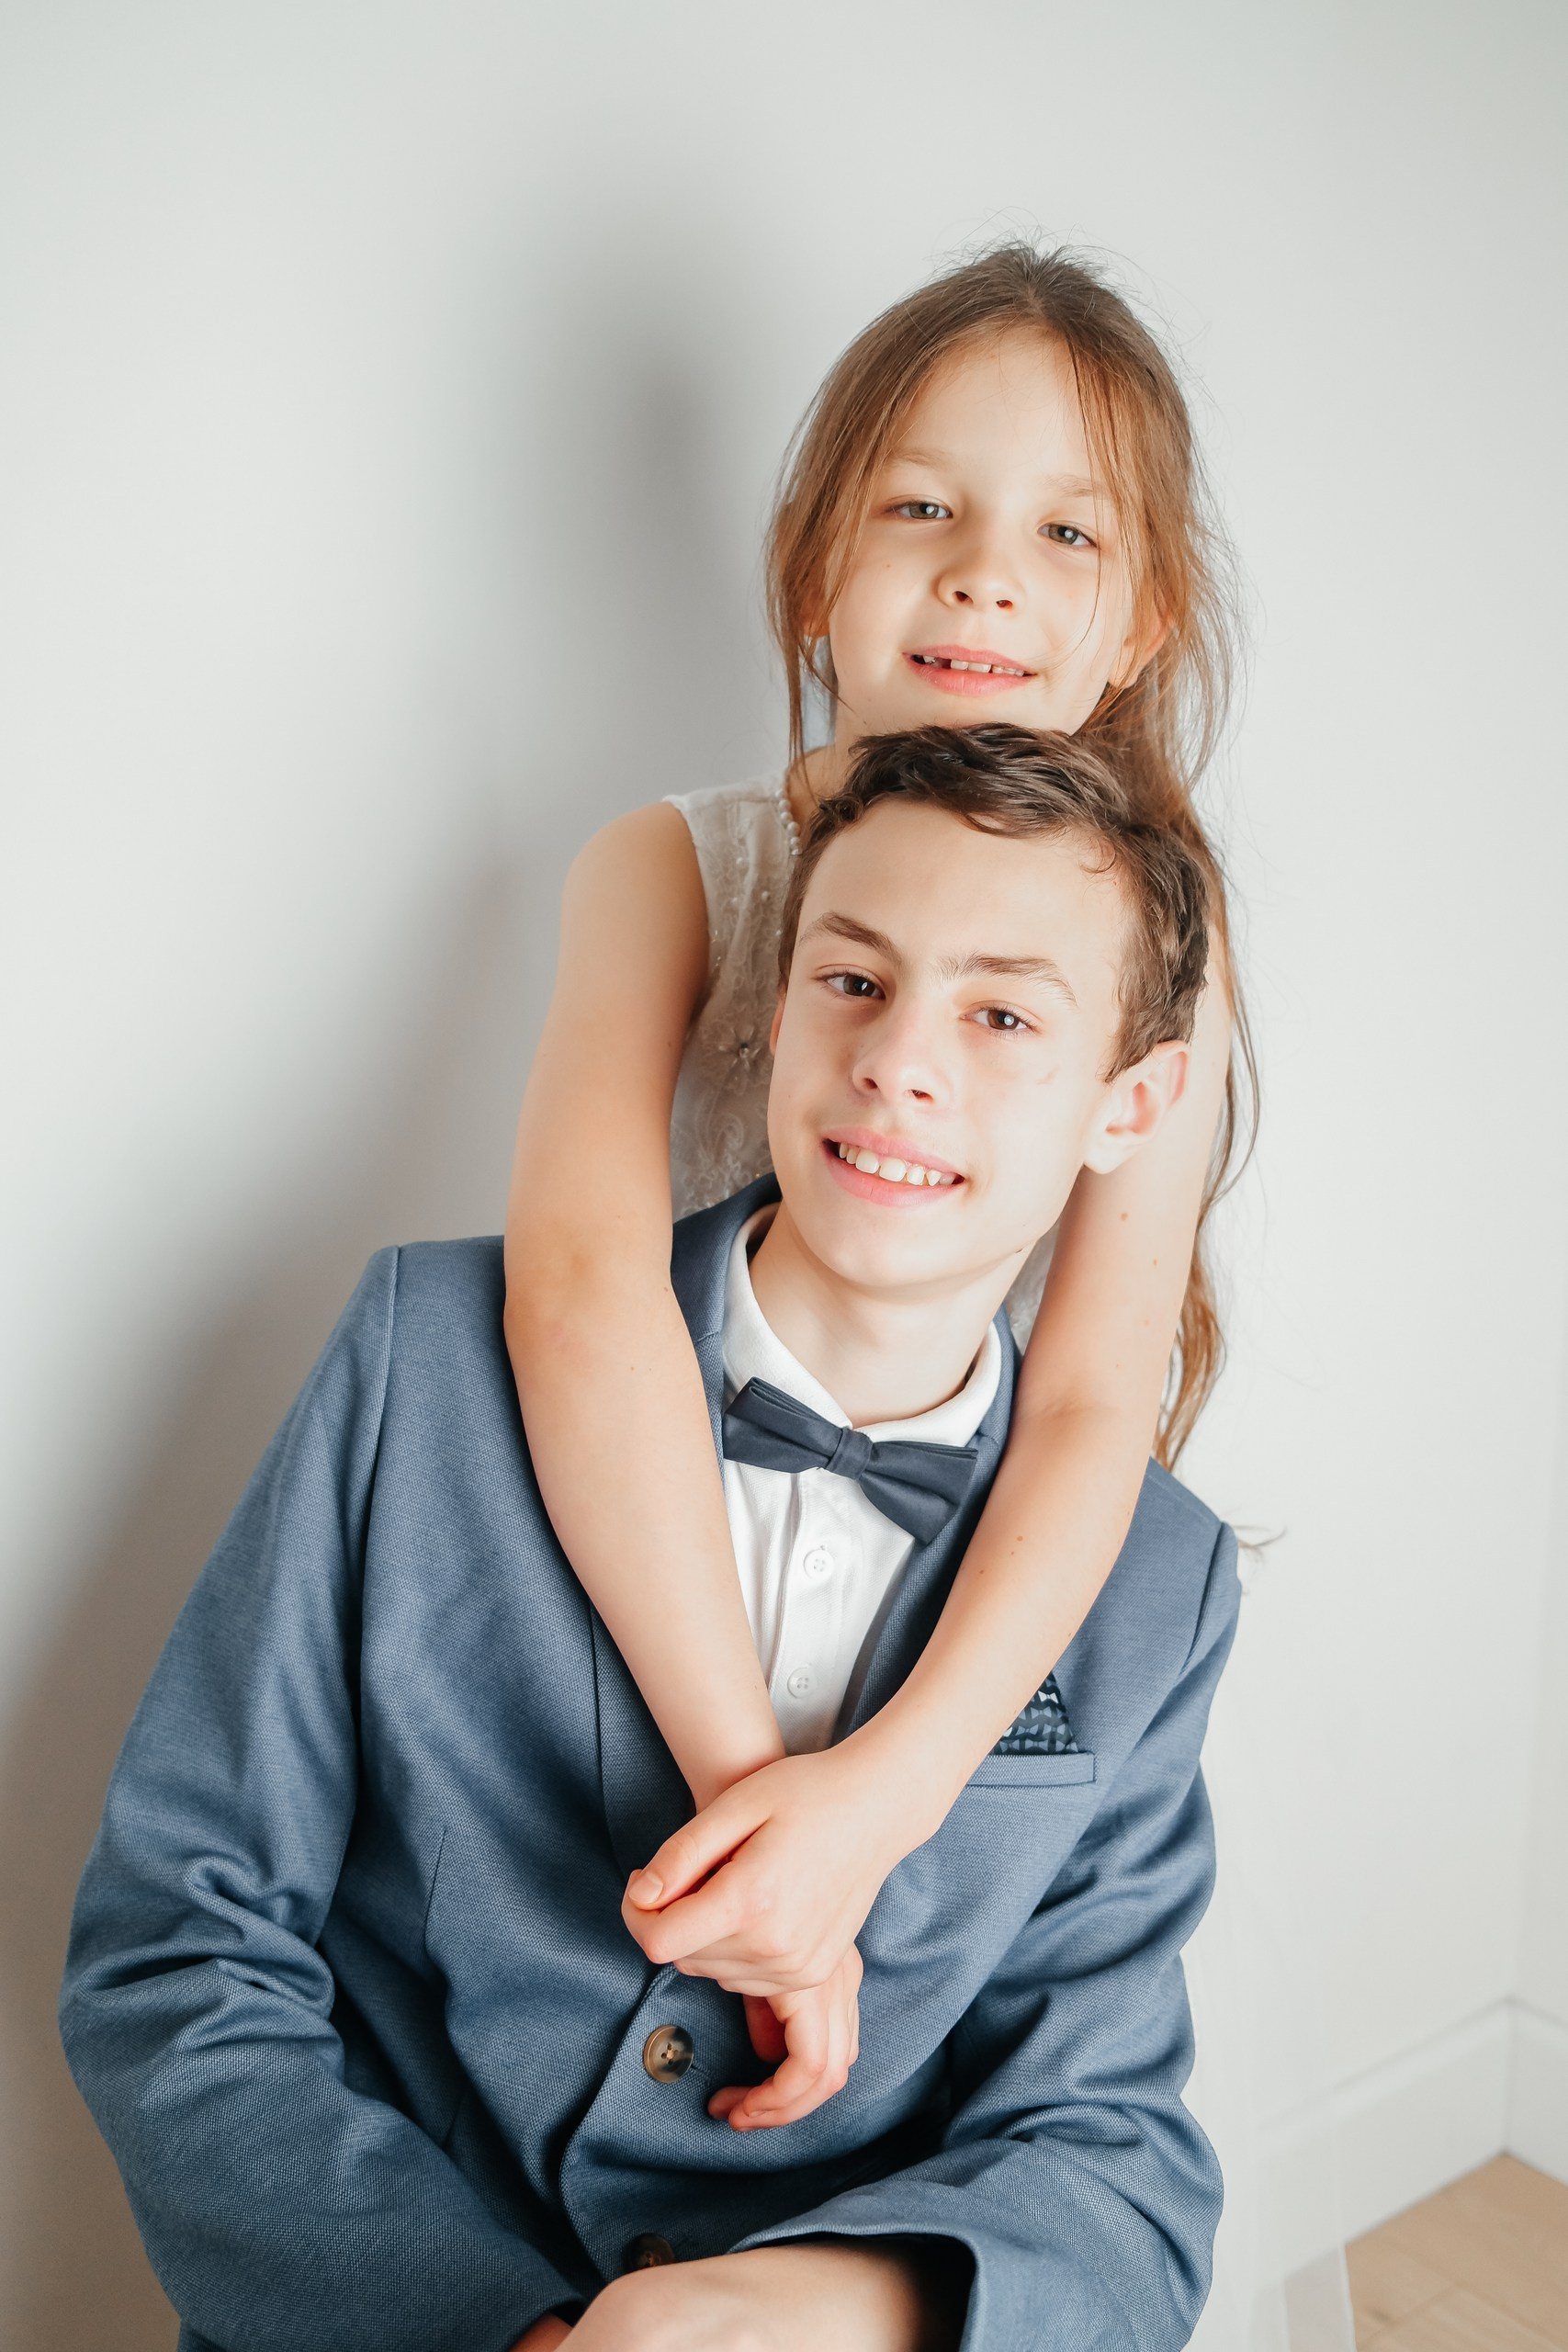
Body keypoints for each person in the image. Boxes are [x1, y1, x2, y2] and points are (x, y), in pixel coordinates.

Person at [62, 727, 1239, 2352]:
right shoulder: (423, 1361)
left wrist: (816, 2313)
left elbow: (1115, 2167)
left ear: (1134, 1103)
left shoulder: (1157, 1583)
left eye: (1002, 1016)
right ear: (775, 1013)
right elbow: (174, 1951)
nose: (900, 1060)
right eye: (854, 981)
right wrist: (517, 2334)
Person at [505, 243, 1247, 2122]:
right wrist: (760, 1797)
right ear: (812, 566)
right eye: (923, 506)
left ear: (1143, 621)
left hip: (934, 1639)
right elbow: (582, 1285)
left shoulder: (1174, 961)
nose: (986, 571)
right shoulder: (672, 869)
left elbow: (1091, 1398)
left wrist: (878, 1802)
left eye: (1065, 534)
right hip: (627, 1558)